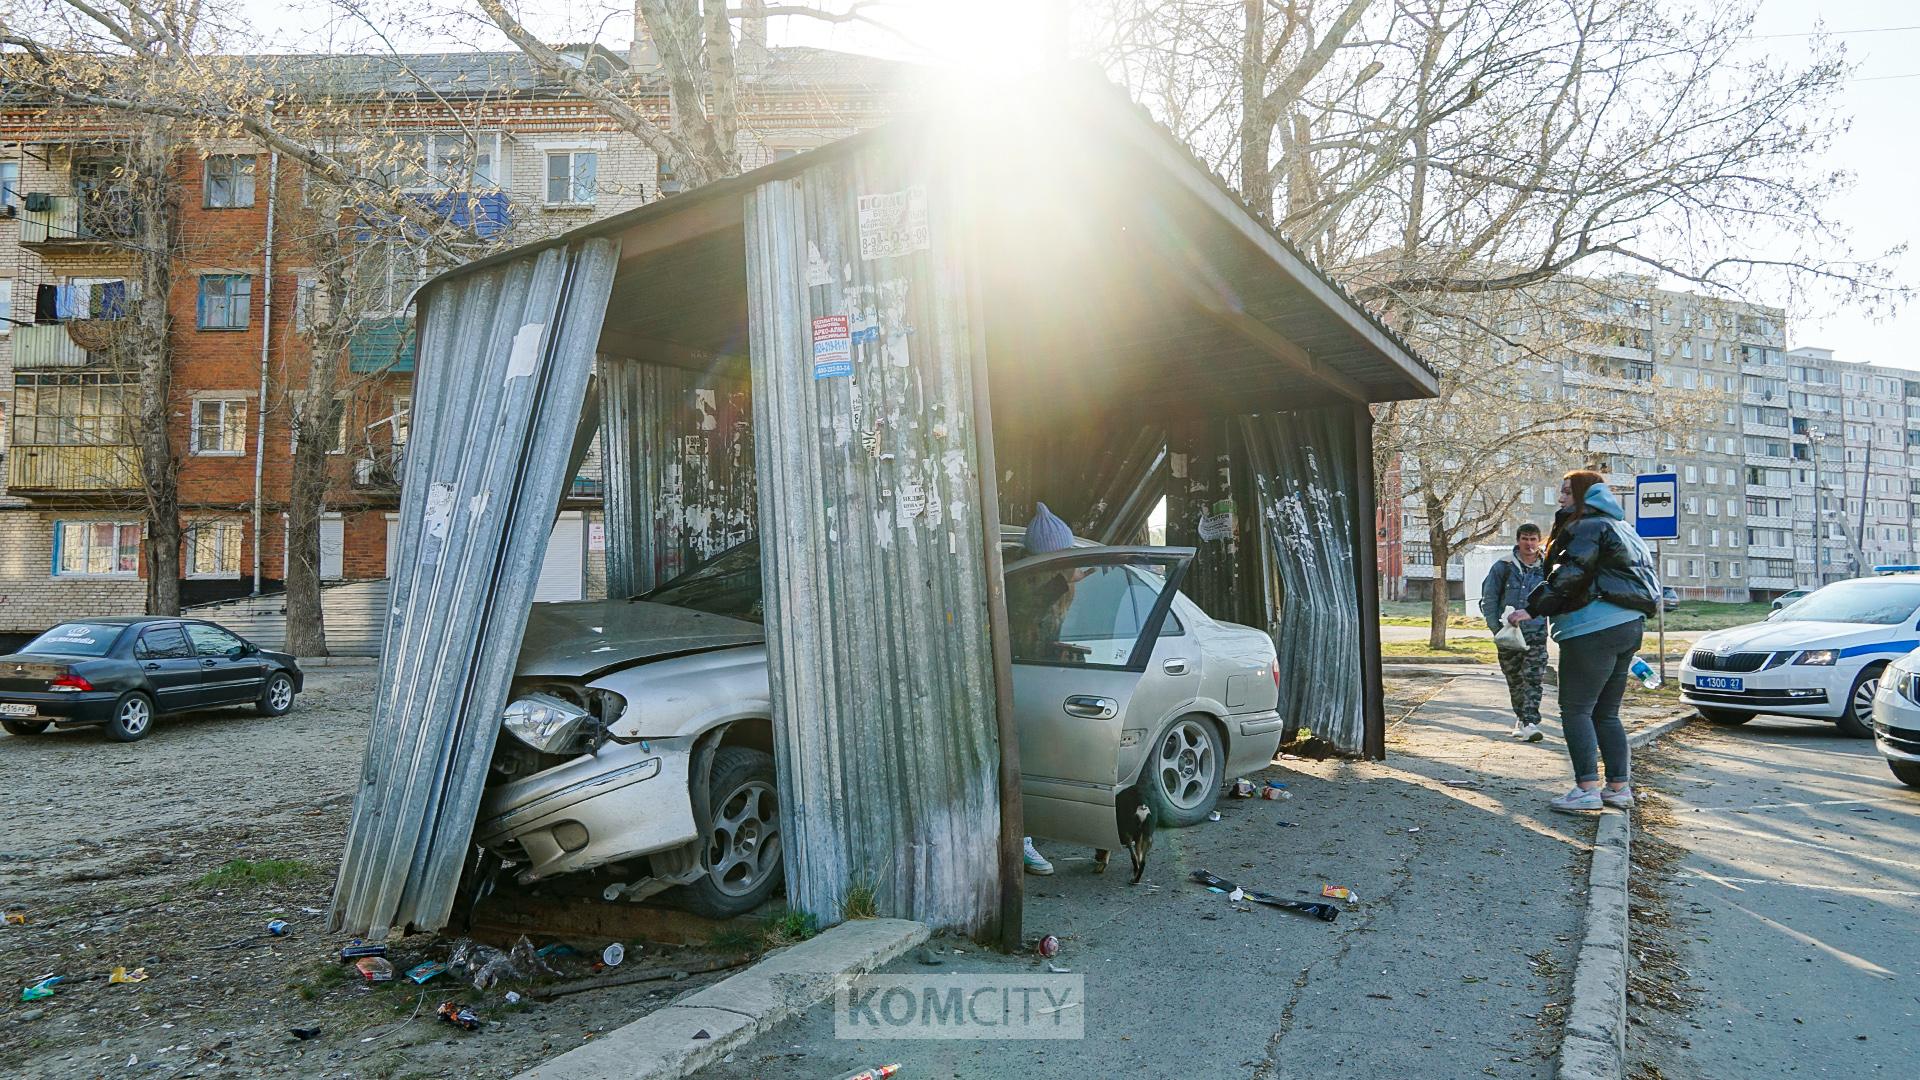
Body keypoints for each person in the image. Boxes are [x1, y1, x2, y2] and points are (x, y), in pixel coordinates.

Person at [1506, 470, 1661, 814]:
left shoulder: (1588, 526)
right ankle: (1618, 788)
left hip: (1592, 627)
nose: (1560, 498)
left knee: (1576, 709)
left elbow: (1571, 573)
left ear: (1583, 494)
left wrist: (1530, 608)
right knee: (1606, 713)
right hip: (1627, 625)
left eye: (1565, 492)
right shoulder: (1622, 527)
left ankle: (1586, 789)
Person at [1013, 502, 1076, 874]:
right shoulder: (1023, 581)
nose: (1067, 563)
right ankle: (1020, 841)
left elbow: (1043, 631)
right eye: (1061, 557)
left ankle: (1026, 835)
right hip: (1016, 681)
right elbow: (1020, 617)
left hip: (1039, 678)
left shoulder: (1060, 587)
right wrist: (1060, 583)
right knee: (1018, 765)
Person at [1481, 523, 1550, 742]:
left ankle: (1530, 721)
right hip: (1508, 635)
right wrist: (1497, 629)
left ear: (1539, 540)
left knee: (1533, 677)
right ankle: (1521, 718)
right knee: (1515, 679)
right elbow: (1489, 599)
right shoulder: (1504, 566)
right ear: (1518, 540)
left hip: (1536, 633)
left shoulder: (1547, 567)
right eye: (1525, 539)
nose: (1529, 544)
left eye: (1533, 539)